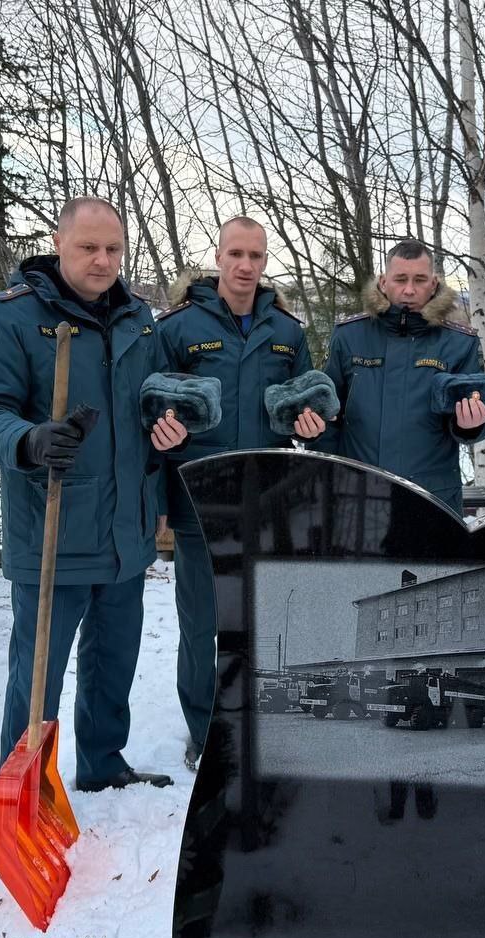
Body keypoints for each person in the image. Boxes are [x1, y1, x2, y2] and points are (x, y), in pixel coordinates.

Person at [0, 196, 187, 790]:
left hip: (126, 531)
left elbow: (157, 397)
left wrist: (169, 425)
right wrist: (27, 440)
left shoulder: (138, 317)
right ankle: (26, 787)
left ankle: (103, 766)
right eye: (88, 247)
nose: (102, 260)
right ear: (59, 244)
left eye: (113, 249)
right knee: (38, 677)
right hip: (53, 529)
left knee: (114, 663)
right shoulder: (11, 316)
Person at [156, 216, 323, 770]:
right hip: (199, 495)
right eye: (236, 254)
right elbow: (151, 408)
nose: (245, 266)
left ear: (265, 260)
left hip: (266, 495)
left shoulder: (288, 332)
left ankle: (256, 719)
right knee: (201, 622)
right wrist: (160, 483)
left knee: (259, 619)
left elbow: (305, 401)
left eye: (255, 255)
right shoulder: (178, 327)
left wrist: (308, 423)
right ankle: (205, 731)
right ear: (219, 257)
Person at [320, 240, 485, 515]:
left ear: (433, 284)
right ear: (384, 282)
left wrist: (470, 424)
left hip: (432, 499)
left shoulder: (459, 343)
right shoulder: (349, 336)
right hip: (356, 497)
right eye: (400, 279)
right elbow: (326, 417)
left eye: (419, 280)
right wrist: (324, 479)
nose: (409, 290)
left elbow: (475, 417)